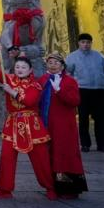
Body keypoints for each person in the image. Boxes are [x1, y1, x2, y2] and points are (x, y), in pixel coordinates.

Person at [0, 55, 56, 200]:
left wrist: (12, 92)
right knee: (6, 158)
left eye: (23, 67)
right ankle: (4, 189)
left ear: (30, 70)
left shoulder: (36, 85)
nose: (20, 70)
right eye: (17, 67)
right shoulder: (9, 80)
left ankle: (50, 187)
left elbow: (29, 100)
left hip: (32, 125)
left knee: (41, 158)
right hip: (12, 124)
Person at [39, 52, 88, 198]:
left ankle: (70, 189)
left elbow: (75, 101)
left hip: (64, 125)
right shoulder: (42, 80)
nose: (53, 65)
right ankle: (52, 186)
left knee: (65, 153)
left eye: (56, 63)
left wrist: (59, 91)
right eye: (50, 63)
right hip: (46, 123)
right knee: (50, 153)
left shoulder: (69, 81)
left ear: (62, 66)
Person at [65, 33, 104, 152]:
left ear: (91, 43)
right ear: (79, 43)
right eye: (83, 42)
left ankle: (102, 144)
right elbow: (68, 73)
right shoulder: (72, 57)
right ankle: (85, 144)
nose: (86, 45)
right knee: (83, 118)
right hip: (82, 89)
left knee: (101, 118)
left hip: (100, 89)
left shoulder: (99, 56)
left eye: (88, 42)